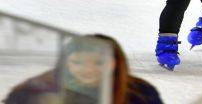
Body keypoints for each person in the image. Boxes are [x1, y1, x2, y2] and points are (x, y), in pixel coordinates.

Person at [4, 34, 163, 104]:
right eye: (78, 62)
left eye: (99, 62)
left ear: (116, 63)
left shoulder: (141, 94)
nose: (88, 69)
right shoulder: (32, 92)